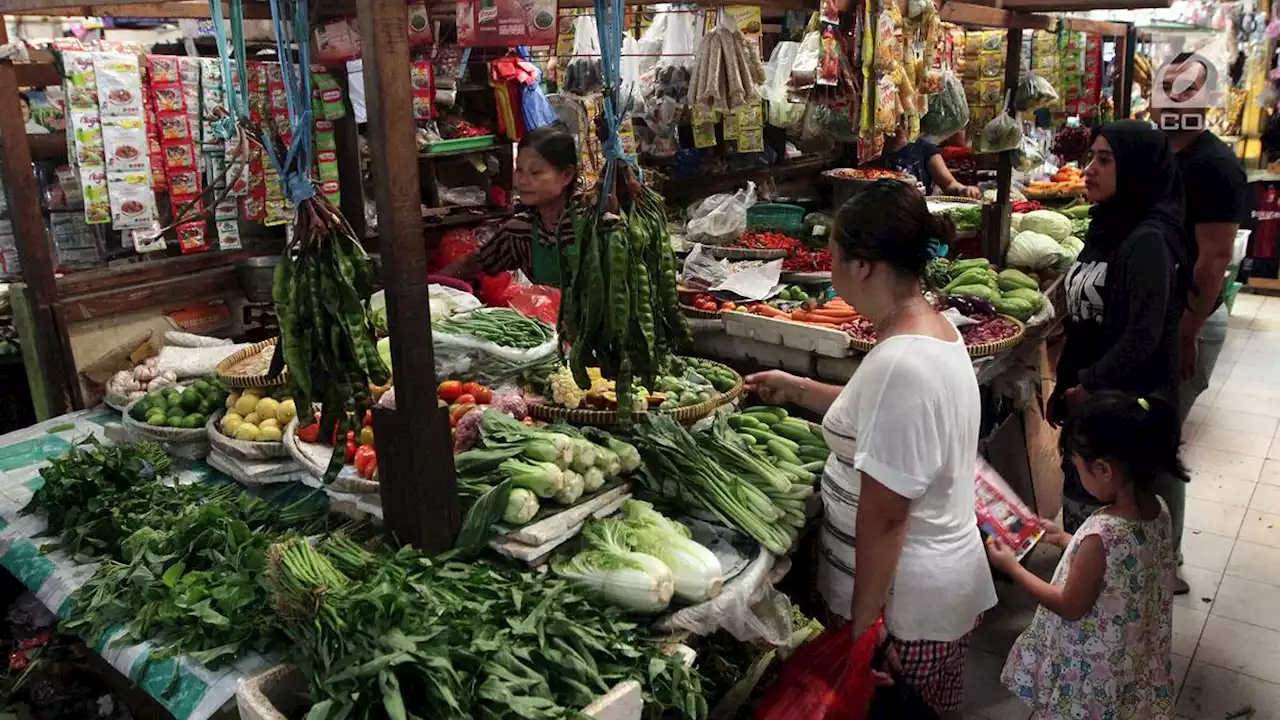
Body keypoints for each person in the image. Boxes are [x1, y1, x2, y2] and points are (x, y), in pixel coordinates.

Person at [746, 180, 995, 719]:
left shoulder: (899, 363)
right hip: (930, 591)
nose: (830, 270)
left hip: (907, 611)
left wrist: (866, 634)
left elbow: (886, 520)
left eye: (834, 258)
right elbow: (883, 419)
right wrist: (797, 387)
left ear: (862, 267)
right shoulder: (931, 328)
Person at [1054, 122, 1190, 595]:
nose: (1088, 170)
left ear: (1134, 168)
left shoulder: (1148, 240)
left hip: (1116, 410)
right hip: (1089, 400)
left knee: (1103, 539)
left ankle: (1098, 635)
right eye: (1090, 157)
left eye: (1104, 160)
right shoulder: (1108, 224)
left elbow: (1142, 336)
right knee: (1086, 529)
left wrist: (1087, 385)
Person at [991, 391, 1180, 719]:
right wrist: (1064, 537)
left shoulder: (1102, 534)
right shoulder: (1159, 510)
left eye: (1078, 468)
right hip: (1131, 656)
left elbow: (1069, 605)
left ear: (1104, 470)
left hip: (1093, 670)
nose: (1077, 475)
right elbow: (1121, 566)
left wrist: (1014, 569)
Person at [1159, 108, 1246, 421]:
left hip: (1187, 319)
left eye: (1186, 89)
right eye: (1165, 87)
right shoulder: (1160, 154)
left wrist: (1187, 333)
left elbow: (1215, 257)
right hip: (1159, 316)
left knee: (1154, 443)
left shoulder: (1215, 166)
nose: (1173, 99)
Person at [441, 125, 581, 285]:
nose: (522, 181)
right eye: (519, 170)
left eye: (535, 172)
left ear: (566, 176)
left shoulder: (591, 224)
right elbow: (476, 262)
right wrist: (428, 286)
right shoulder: (520, 231)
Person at [873, 123, 980, 199]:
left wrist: (963, 189)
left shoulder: (924, 149)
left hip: (917, 218)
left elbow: (949, 184)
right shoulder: (869, 153)